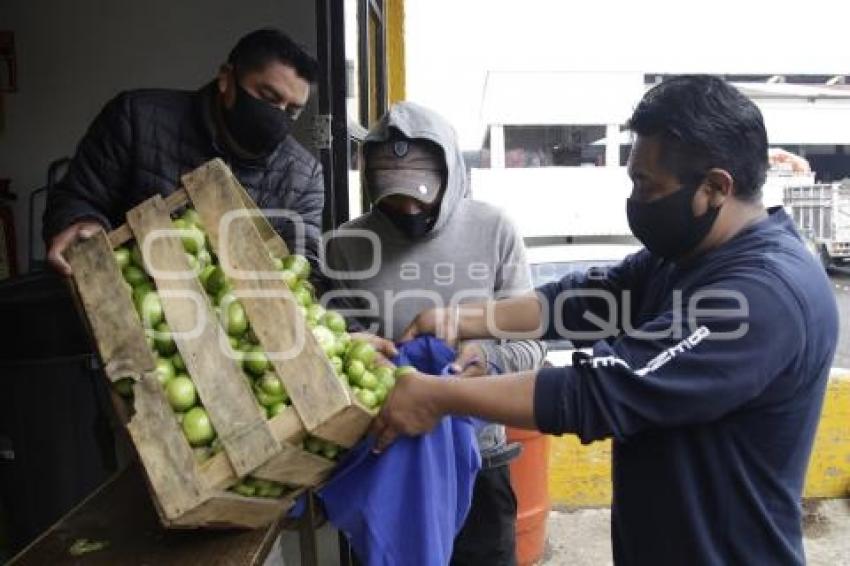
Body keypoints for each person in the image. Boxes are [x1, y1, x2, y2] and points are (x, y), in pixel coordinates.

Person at [373, 76, 839, 565]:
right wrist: (457, 320)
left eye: (646, 184)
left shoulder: (763, 295)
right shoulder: (684, 255)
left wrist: (438, 397)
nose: (635, 197)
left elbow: (604, 389)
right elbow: (586, 300)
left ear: (715, 187)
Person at [324, 101, 546, 565]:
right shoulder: (346, 246)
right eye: (392, 196)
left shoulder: (494, 231)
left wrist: (487, 360)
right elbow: (331, 348)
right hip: (389, 466)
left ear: (451, 176)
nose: (406, 208)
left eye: (419, 194)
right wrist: (358, 353)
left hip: (480, 461)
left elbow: (531, 344)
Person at [43, 28, 323, 275]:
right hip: (125, 300)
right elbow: (78, 197)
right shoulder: (136, 119)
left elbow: (303, 264)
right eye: (269, 98)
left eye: (293, 110)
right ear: (226, 79)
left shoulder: (303, 174)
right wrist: (81, 223)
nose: (278, 115)